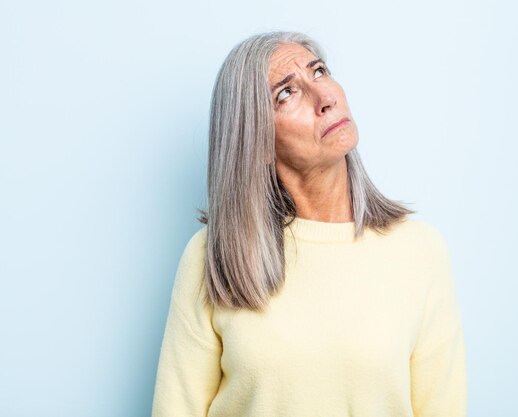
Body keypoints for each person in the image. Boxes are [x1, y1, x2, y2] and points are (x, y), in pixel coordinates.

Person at [151, 31, 467, 417]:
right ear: (257, 141)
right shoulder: (212, 257)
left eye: (319, 72)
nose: (326, 98)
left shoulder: (420, 250)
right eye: (286, 93)